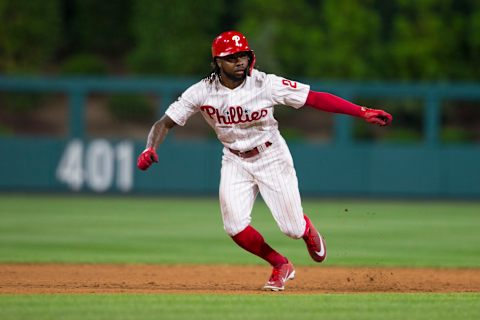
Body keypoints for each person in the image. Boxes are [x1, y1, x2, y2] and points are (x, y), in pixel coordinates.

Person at [137, 30, 392, 291]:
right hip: (234, 159)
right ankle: (280, 264)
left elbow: (314, 98)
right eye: (231, 57)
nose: (239, 61)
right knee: (234, 225)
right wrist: (150, 148)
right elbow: (164, 122)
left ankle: (305, 229)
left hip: (271, 156)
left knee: (291, 228)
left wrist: (362, 111)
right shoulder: (201, 91)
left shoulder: (266, 84)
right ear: (217, 62)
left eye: (243, 55)